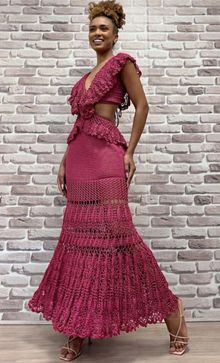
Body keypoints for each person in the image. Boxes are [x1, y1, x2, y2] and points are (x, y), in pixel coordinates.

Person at [28, 0, 189, 361]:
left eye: (103, 28)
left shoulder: (122, 64)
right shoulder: (85, 78)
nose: (97, 33)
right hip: (80, 160)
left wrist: (130, 152)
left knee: (121, 239)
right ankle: (78, 329)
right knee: (77, 245)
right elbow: (80, 125)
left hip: (107, 159)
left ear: (115, 33)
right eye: (92, 29)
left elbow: (142, 106)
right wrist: (64, 161)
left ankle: (174, 313)